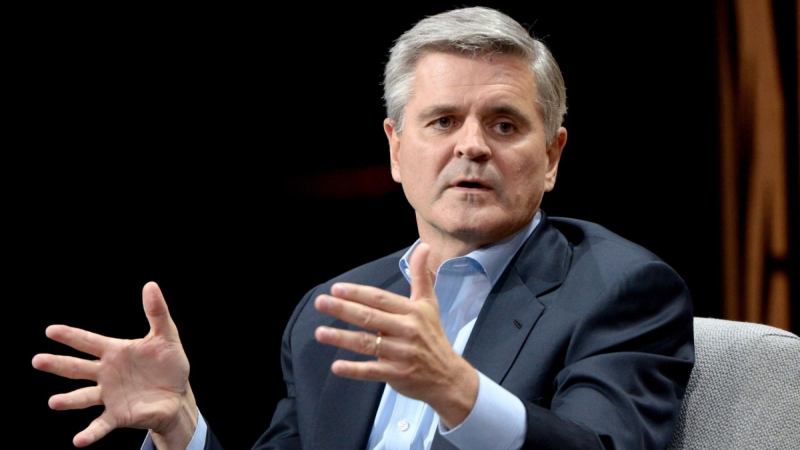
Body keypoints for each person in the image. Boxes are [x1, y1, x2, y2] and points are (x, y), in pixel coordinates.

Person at [33, 6, 694, 450]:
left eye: (504, 124)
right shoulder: (333, 313)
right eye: (442, 121)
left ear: (551, 157)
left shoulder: (622, 290)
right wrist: (183, 430)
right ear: (396, 150)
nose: (472, 146)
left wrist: (458, 392)